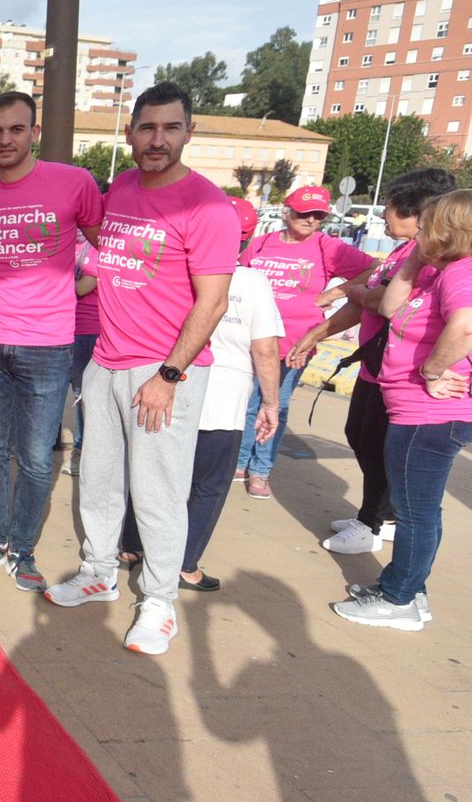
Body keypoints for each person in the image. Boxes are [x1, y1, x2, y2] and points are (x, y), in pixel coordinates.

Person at [43, 82, 237, 656]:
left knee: (158, 491)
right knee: (98, 480)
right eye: (147, 128)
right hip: (106, 361)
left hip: (164, 371)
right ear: (130, 133)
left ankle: (158, 601)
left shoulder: (208, 206)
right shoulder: (122, 187)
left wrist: (169, 375)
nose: (157, 140)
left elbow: (213, 302)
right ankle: (99, 571)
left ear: (189, 132)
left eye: (170, 128)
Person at [0, 91, 104, 592]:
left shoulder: (74, 182)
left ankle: (23, 548)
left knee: (38, 456)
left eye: (16, 129)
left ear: (34, 133)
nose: (5, 139)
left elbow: (107, 242)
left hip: (47, 344)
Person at [288, 169, 458, 554]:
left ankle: (373, 522)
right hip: (374, 365)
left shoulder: (435, 261)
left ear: (417, 212)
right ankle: (378, 514)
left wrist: (358, 292)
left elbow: (384, 303)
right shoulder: (404, 252)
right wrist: (318, 332)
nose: (383, 213)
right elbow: (370, 298)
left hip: (404, 374)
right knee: (360, 437)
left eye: (391, 206)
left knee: (382, 448)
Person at [118, 196, 283, 590]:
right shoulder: (252, 282)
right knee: (207, 486)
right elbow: (266, 349)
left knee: (154, 474)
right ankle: (184, 563)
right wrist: (271, 404)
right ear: (249, 238)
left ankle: (130, 545)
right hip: (222, 401)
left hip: (172, 387)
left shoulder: (175, 271)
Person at [334, 188, 472, 631]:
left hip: (428, 417)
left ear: (449, 230)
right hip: (416, 414)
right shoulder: (439, 269)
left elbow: (466, 325)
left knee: (415, 513)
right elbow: (392, 307)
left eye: (428, 224)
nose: (419, 230)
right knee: (419, 510)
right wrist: (417, 258)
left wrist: (433, 370)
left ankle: (399, 600)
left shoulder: (461, 273)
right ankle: (408, 588)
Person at [234, 186, 376, 499]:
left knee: (277, 405)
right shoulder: (261, 245)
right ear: (287, 211)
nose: (310, 220)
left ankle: (261, 469)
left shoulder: (327, 246)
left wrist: (336, 293)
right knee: (248, 402)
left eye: (318, 215)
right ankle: (240, 461)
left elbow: (372, 270)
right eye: (304, 213)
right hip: (252, 339)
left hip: (295, 343)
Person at [62, 237, 101, 477]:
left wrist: (50, 277)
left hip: (87, 331)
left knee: (82, 395)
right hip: (62, 329)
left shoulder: (96, 247)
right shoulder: (68, 244)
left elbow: (83, 286)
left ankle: (82, 450)